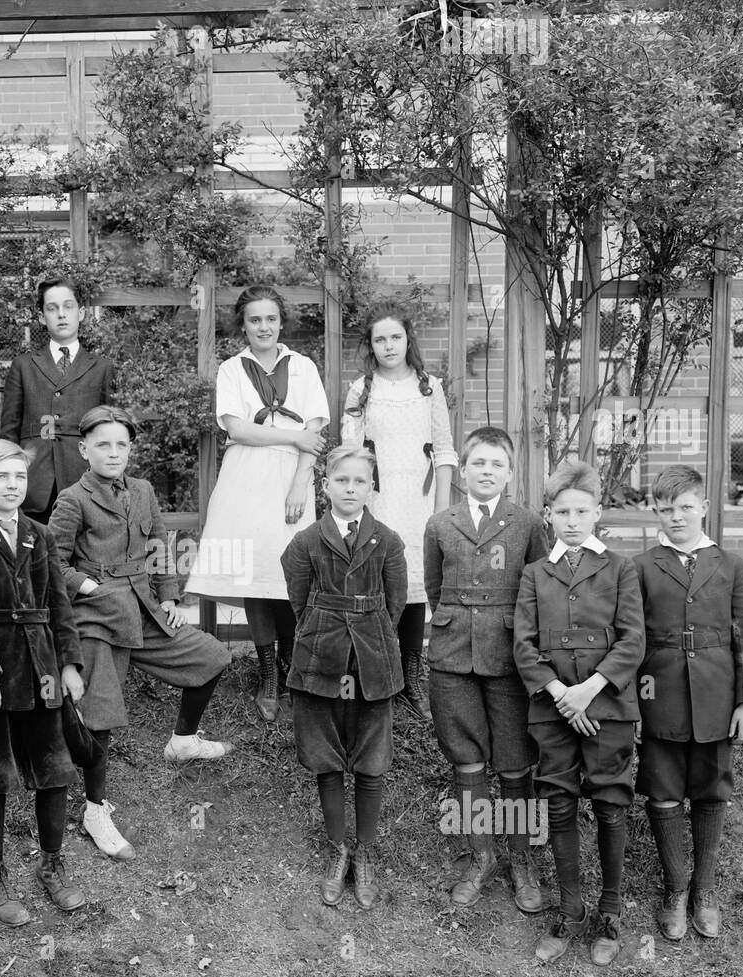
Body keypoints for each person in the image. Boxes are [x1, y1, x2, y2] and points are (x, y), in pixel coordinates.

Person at [49, 406, 233, 860]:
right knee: (101, 711)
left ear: (131, 449)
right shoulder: (73, 498)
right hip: (96, 616)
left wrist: (169, 597)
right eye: (103, 444)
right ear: (83, 449)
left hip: (145, 609)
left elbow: (158, 546)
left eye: (121, 445)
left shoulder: (143, 489)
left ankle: (183, 740)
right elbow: (51, 561)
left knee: (211, 657)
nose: (113, 453)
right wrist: (87, 586)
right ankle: (95, 809)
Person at [0, 439, 87, 927]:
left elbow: (60, 605)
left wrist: (69, 665)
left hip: (42, 664)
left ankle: (51, 864)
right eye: (1, 477)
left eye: (19, 478)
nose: (11, 486)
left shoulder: (40, 535)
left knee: (54, 766)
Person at [514, 460, 645, 966]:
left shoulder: (619, 568)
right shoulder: (534, 574)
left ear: (597, 512)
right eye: (562, 511)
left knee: (611, 800)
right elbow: (524, 646)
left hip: (606, 705)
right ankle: (570, 910)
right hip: (552, 709)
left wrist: (588, 690)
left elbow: (633, 639)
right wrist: (560, 695)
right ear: (548, 515)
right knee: (558, 800)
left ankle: (610, 912)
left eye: (582, 510)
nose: (572, 520)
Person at [185, 285, 329, 722]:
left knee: (288, 575)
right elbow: (238, 428)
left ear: (281, 322)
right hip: (245, 477)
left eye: (270, 318)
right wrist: (294, 434)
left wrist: (300, 485)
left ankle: (288, 671)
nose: (263, 327)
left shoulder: (303, 368)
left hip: (291, 479)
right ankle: (267, 674)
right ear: (243, 325)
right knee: (255, 575)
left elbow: (316, 432)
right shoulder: (232, 368)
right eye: (254, 320)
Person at [424, 426, 551, 912]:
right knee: (466, 755)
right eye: (478, 463)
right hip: (453, 653)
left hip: (508, 654)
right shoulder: (440, 523)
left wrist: (525, 639)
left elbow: (537, 584)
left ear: (510, 472)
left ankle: (521, 859)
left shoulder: (528, 523)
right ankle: (481, 856)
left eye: (497, 464)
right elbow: (436, 587)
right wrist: (456, 623)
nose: (486, 472)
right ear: (463, 471)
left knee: (516, 758)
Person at [633, 464, 743, 941]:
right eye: (666, 509)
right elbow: (632, 638)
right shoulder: (642, 566)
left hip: (716, 695)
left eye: (685, 507)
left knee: (711, 788)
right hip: (659, 693)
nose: (676, 517)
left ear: (704, 507)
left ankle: (704, 889)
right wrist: (633, 703)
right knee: (663, 787)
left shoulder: (730, 566)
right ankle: (675, 889)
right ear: (657, 514)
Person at [281, 445, 407, 910]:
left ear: (371, 487)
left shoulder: (388, 540)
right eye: (342, 481)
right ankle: (340, 850)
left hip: (373, 658)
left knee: (371, 755)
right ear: (325, 486)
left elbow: (395, 605)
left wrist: (369, 637)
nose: (350, 488)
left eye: (360, 481)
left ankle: (366, 852)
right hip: (320, 657)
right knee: (326, 754)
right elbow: (298, 599)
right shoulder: (307, 541)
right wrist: (322, 633)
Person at [342, 299, 456, 719]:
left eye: (395, 336)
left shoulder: (430, 387)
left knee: (414, 587)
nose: (389, 345)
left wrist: (441, 513)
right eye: (379, 339)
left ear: (408, 339)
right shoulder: (361, 389)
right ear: (370, 346)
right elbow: (352, 454)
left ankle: (411, 675)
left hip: (420, 501)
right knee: (377, 583)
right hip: (379, 500)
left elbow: (443, 450)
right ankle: (376, 673)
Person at [0, 276, 115, 524]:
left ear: (81, 313)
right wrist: (11, 479)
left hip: (85, 481)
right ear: (42, 317)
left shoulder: (102, 368)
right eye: (52, 308)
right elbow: (9, 433)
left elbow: (111, 433)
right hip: (35, 485)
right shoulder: (23, 366)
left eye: (68, 306)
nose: (61, 314)